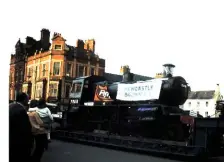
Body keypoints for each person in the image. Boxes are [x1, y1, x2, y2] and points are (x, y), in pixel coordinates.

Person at [9, 92, 33, 162]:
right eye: (27, 99)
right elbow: (25, 129)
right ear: (24, 100)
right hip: (17, 143)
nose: (28, 100)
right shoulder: (21, 110)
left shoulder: (10, 106)